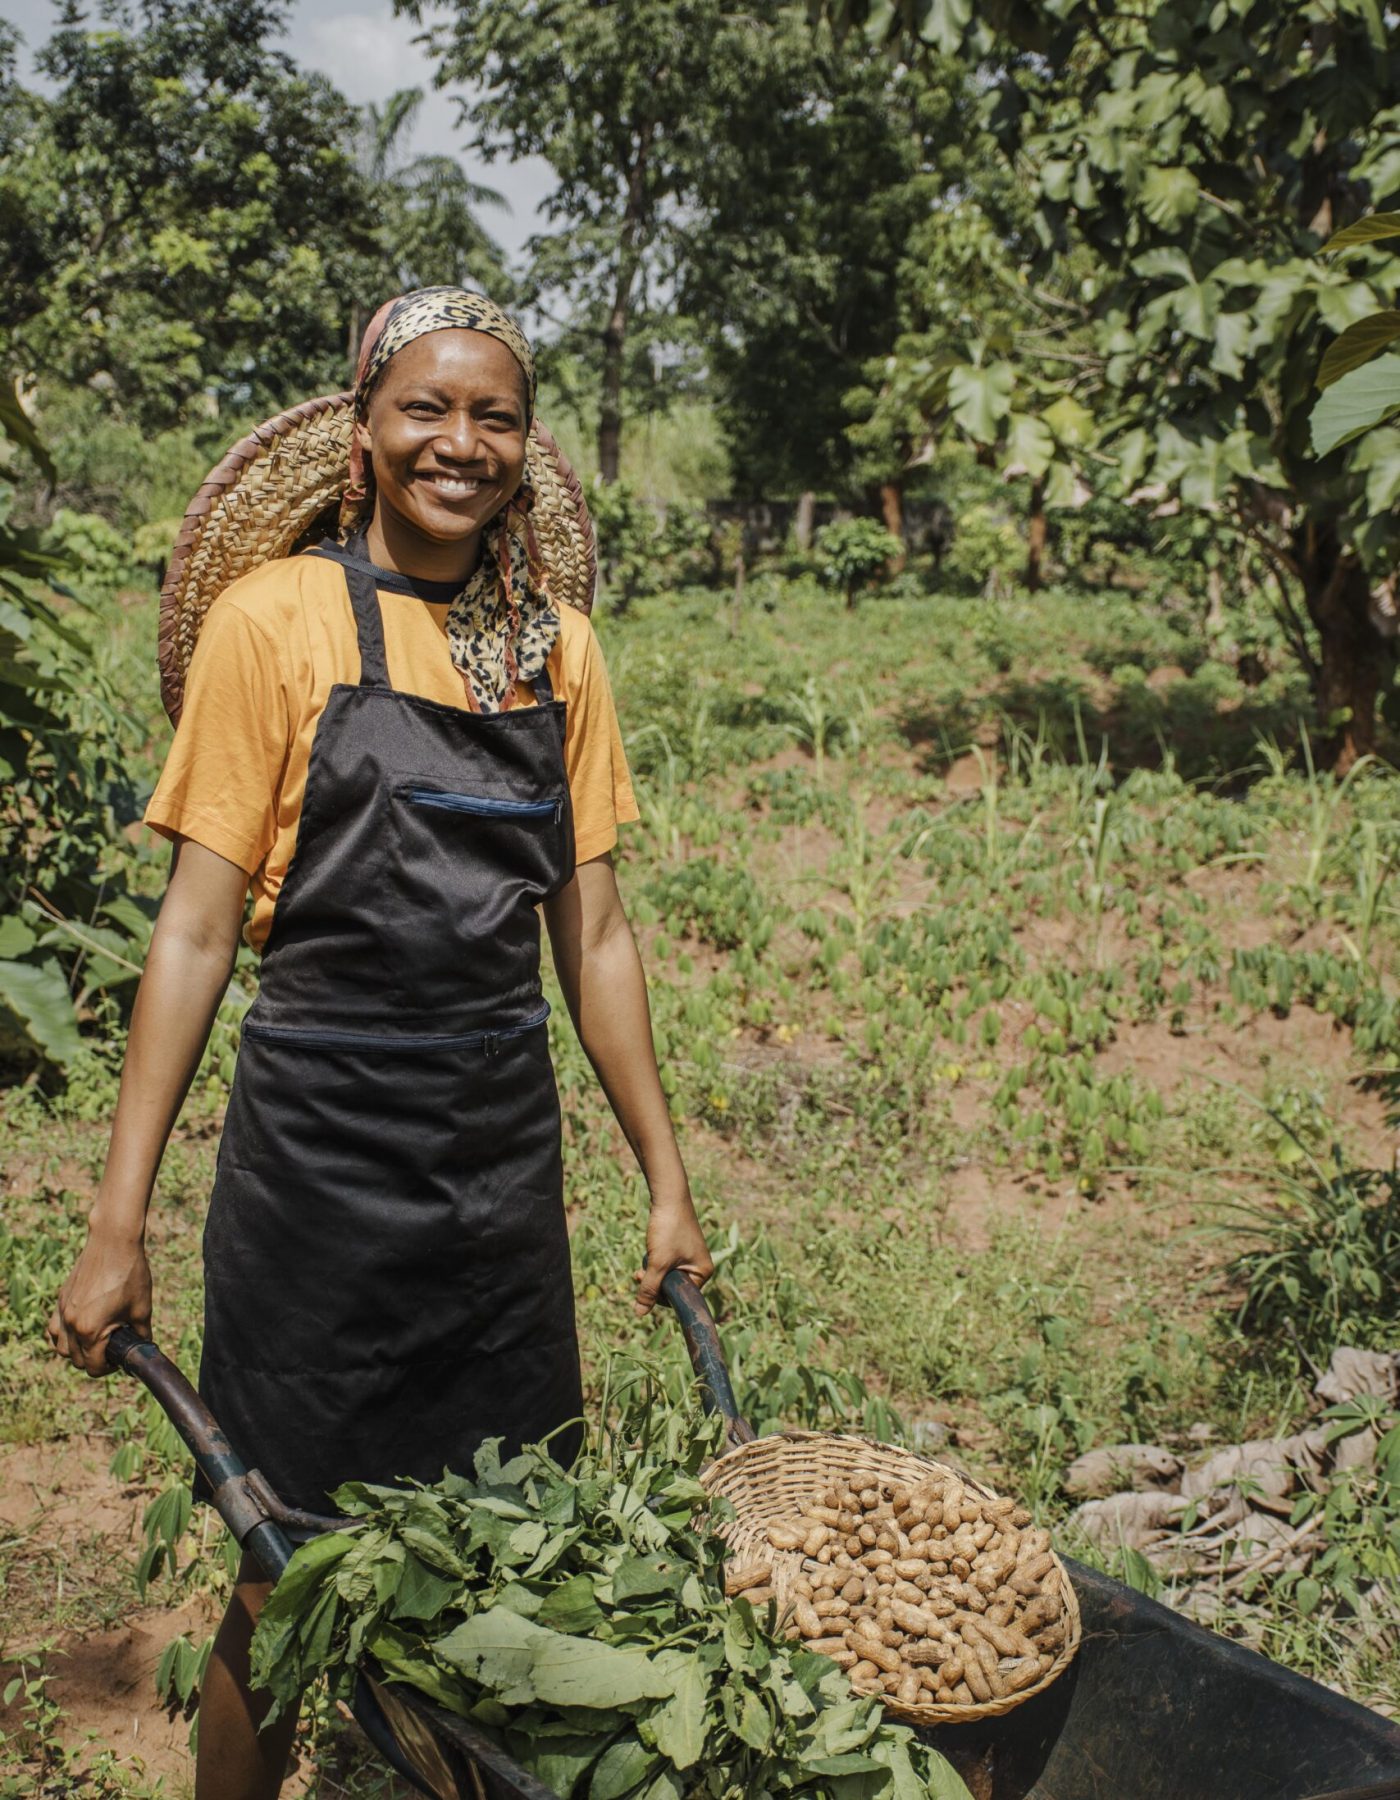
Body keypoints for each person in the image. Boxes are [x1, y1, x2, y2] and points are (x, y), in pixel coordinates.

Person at [46, 286, 714, 1800]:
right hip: (320, 1169)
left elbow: (593, 937)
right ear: (364, 431)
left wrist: (665, 1181)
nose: (457, 443)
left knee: (512, 1551)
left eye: (493, 415)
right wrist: (116, 1221)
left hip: (497, 1167)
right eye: (426, 407)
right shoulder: (275, 622)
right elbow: (197, 934)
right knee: (286, 1574)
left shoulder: (555, 651)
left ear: (526, 450)